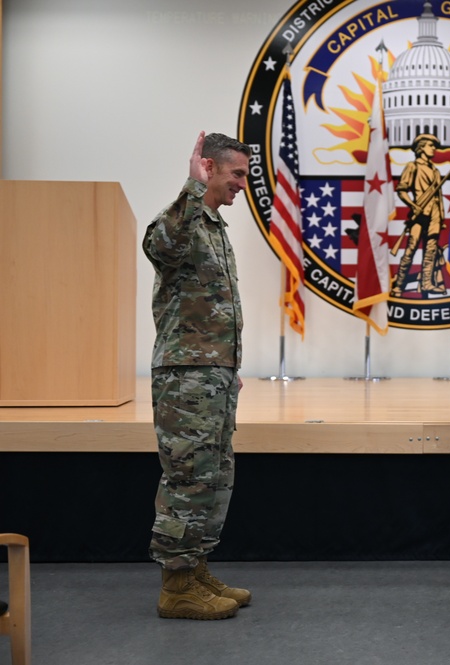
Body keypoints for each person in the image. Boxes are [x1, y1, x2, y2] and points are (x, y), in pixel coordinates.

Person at [143, 131, 252, 620]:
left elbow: (209, 309)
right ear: (209, 169)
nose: (242, 186)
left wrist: (228, 364)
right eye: (237, 175)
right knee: (188, 476)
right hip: (185, 379)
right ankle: (176, 587)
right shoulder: (180, 221)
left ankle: (196, 567)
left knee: (213, 477)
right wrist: (191, 188)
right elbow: (162, 246)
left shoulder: (214, 227)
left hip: (212, 376)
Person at [392, 133, 447, 296]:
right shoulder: (412, 166)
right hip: (419, 214)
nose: (434, 149)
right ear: (421, 147)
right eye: (431, 146)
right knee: (410, 250)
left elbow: (439, 197)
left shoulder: (436, 171)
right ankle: (399, 286)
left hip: (434, 215)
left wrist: (441, 217)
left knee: (430, 252)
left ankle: (427, 284)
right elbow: (401, 190)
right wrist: (413, 206)